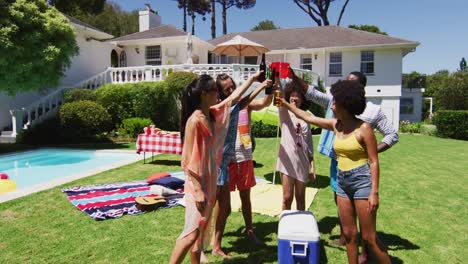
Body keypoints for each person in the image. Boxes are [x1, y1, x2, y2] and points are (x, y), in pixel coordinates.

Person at [279, 80, 391, 264]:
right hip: (342, 182)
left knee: (369, 238)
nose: (331, 105)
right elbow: (308, 118)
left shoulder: (364, 128)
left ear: (346, 105)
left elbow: (373, 161)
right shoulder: (335, 125)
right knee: (348, 234)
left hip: (362, 182)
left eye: (335, 102)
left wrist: (374, 192)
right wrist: (284, 103)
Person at [169, 74, 251, 264]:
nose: (219, 93)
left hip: (210, 180)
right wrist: (197, 190)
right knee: (190, 234)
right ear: (205, 94)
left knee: (200, 233)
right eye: (215, 89)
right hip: (197, 184)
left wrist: (255, 79)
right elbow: (188, 160)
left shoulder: (212, 114)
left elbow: (234, 98)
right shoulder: (194, 121)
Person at [210, 72, 272, 259]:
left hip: (237, 159)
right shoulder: (222, 108)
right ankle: (207, 243)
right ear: (219, 93)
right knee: (214, 206)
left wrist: (265, 89)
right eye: (227, 89)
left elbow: (254, 103)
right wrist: (255, 81)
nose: (231, 90)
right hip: (222, 163)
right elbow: (238, 100)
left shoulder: (238, 105)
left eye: (232, 86)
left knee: (237, 202)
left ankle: (244, 232)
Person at [277, 80, 316, 211]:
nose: (294, 98)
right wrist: (276, 78)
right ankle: (285, 225)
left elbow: (309, 144)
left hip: (303, 162)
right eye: (292, 95)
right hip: (287, 161)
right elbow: (280, 95)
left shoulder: (306, 116)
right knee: (287, 197)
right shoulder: (284, 112)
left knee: (301, 199)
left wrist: (312, 167)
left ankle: (300, 229)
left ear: (302, 99)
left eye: (298, 95)